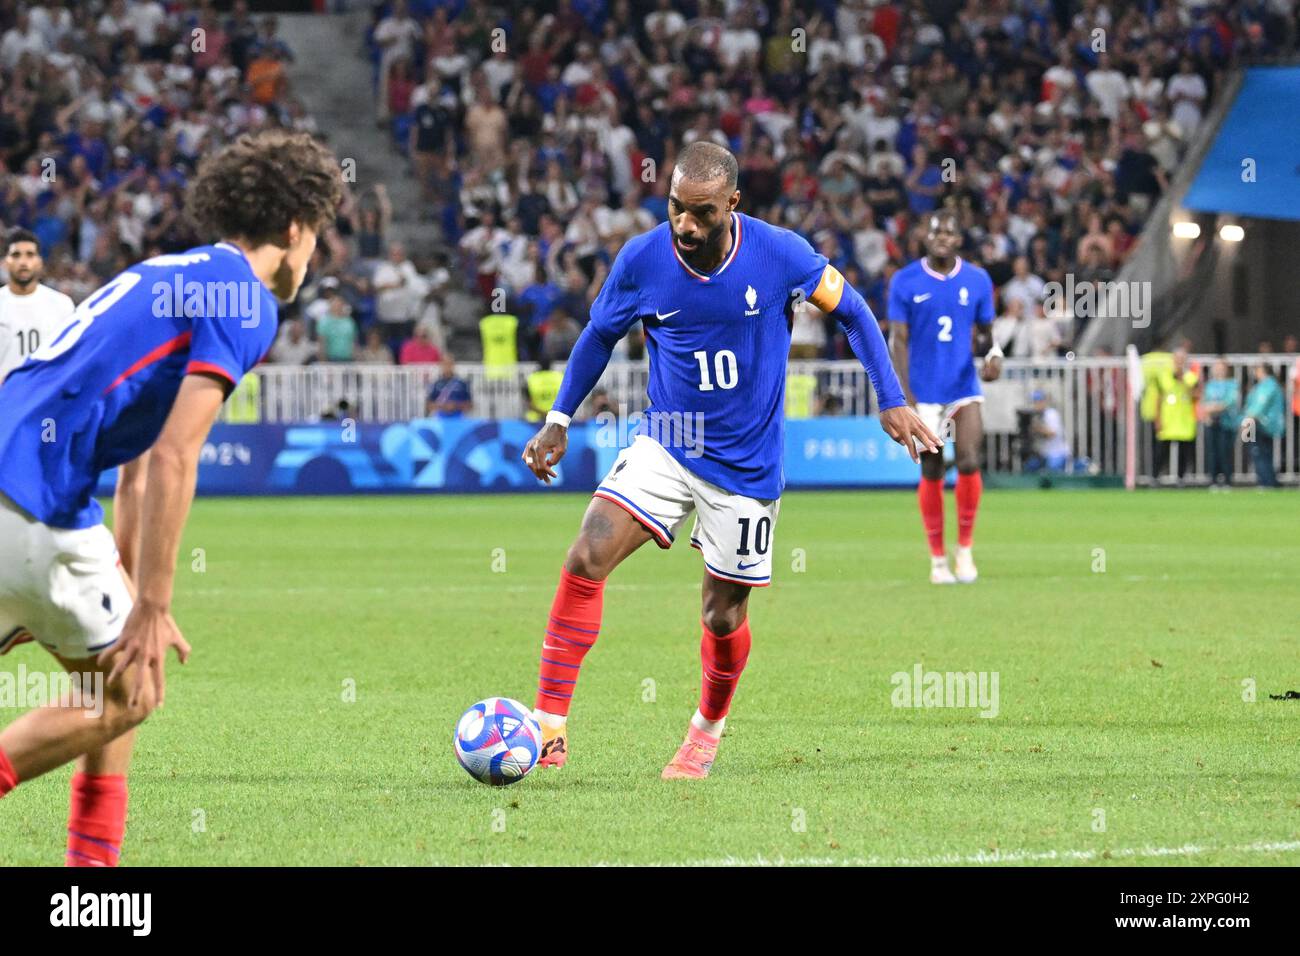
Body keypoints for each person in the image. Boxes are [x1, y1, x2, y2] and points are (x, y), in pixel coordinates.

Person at [519, 143, 938, 779]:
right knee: (586, 555)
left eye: (701, 214)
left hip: (746, 463)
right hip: (669, 438)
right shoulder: (642, 258)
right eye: (676, 209)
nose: (685, 226)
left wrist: (891, 399)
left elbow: (853, 311)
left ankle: (706, 730)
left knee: (722, 614)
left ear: (732, 205)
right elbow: (599, 335)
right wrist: (558, 419)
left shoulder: (781, 254)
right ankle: (548, 730)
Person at [0, 129, 341, 865]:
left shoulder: (167, 271)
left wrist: (126, 585)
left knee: (111, 669)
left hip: (17, 477)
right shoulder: (247, 300)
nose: (314, 255)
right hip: (33, 500)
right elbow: (176, 450)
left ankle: (92, 877)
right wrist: (151, 603)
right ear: (294, 227)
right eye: (317, 234)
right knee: (132, 694)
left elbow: (136, 467)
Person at [888, 209, 1000, 585]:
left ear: (958, 239)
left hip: (963, 386)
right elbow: (898, 340)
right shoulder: (905, 281)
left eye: (949, 232)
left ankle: (964, 552)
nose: (941, 237)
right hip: (924, 392)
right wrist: (903, 395)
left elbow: (985, 333)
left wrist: (993, 355)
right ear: (925, 236)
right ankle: (938, 559)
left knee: (969, 458)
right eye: (935, 230)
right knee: (932, 469)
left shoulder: (978, 279)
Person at [0, 228, 76, 383]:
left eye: (30, 255)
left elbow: (72, 358)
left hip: (46, 399)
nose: (23, 262)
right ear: (5, 263)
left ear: (40, 262)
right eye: (16, 255)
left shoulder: (62, 305)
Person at [1154, 346, 1200, 483]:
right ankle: (1155, 477)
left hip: (1185, 419)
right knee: (1162, 451)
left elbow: (1197, 394)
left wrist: (1184, 381)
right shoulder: (1164, 375)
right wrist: (1157, 418)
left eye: (1182, 359)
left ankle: (1181, 478)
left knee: (1184, 451)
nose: (1179, 362)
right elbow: (1159, 397)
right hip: (1168, 419)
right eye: (1177, 359)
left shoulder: (1191, 377)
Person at [1241, 364, 1284, 488]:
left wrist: (1246, 422)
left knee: (1258, 452)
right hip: (1262, 423)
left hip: (1259, 423)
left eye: (1257, 370)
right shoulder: (1267, 385)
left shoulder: (1267, 385)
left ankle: (1266, 481)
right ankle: (1269, 480)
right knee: (1264, 452)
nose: (1255, 373)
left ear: (1263, 371)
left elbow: (1259, 406)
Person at [1200, 359, 1240, 488]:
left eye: (1221, 367)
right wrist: (1207, 413)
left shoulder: (1232, 384)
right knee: (1212, 452)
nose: (1218, 370)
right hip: (1212, 422)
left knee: (1225, 451)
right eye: (1216, 367)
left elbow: (1230, 401)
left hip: (1226, 422)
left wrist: (1213, 407)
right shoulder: (1210, 385)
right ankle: (1213, 480)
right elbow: (1204, 402)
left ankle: (1227, 480)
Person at [1028, 389, 1069, 471]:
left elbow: (1052, 433)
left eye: (1038, 401)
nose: (1036, 404)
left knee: (1052, 471)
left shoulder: (1051, 414)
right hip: (1043, 454)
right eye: (1034, 401)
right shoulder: (1035, 415)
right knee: (1030, 466)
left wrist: (1037, 429)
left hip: (1057, 453)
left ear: (1044, 401)